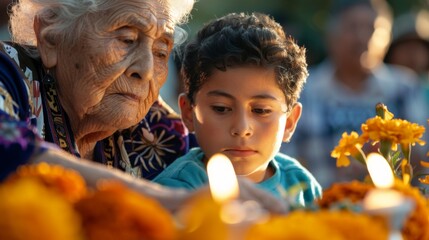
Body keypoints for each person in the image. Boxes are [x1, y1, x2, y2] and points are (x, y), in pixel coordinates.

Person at [0, 0, 288, 213]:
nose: (147, 70)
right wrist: (168, 201)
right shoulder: (7, 74)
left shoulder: (157, 130)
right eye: (126, 39)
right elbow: (8, 150)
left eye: (161, 51)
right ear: (50, 37)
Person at [153, 12, 322, 207]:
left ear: (290, 121)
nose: (242, 128)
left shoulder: (302, 185)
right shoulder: (176, 193)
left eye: (261, 110)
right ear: (189, 113)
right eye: (221, 108)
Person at [282, 0, 428, 188]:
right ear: (331, 36)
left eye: (372, 29)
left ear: (387, 38)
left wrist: (386, 156)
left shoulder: (404, 87)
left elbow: (424, 153)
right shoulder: (304, 91)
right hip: (323, 207)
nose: (362, 38)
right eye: (352, 27)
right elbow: (285, 159)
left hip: (396, 206)